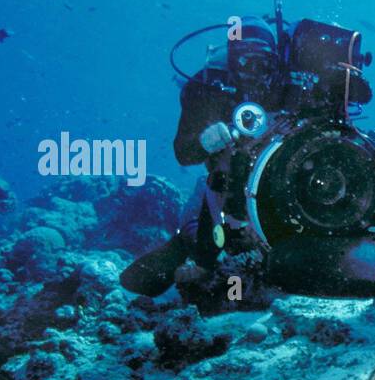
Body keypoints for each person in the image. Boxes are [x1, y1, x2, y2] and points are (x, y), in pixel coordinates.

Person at [121, 17, 283, 297]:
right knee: (212, 245)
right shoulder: (205, 88)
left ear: (277, 63)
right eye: (246, 62)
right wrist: (204, 142)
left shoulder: (291, 88)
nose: (254, 72)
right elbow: (184, 154)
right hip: (225, 182)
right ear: (232, 60)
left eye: (264, 63)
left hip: (281, 183)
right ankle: (187, 244)